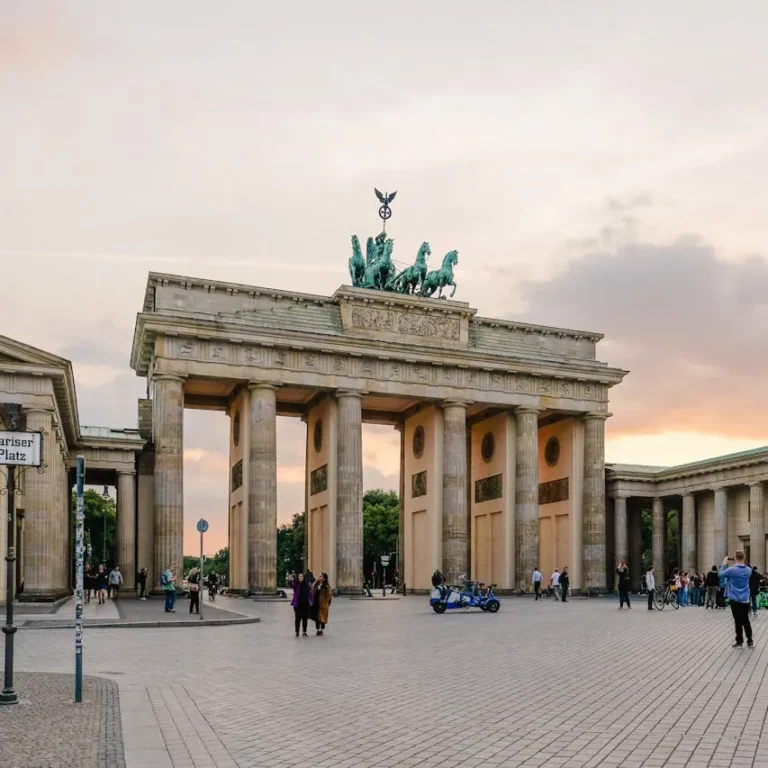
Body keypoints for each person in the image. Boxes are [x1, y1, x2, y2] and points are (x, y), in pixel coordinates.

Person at [720, 552, 753, 648]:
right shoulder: (748, 570)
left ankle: (739, 641)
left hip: (734, 598)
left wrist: (724, 563)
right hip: (745, 598)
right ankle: (750, 641)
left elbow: (721, 574)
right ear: (743, 557)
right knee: (746, 619)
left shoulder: (732, 569)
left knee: (737, 620)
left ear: (735, 558)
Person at [291, 572, 313, 637]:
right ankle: (297, 632)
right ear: (298, 577)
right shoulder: (296, 584)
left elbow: (310, 594)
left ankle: (304, 632)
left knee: (305, 619)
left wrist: (311, 602)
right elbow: (292, 585)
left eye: (301, 576)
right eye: (299, 576)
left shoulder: (306, 585)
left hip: (305, 605)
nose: (300, 577)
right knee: (297, 619)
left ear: (303, 577)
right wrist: (292, 580)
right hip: (298, 605)